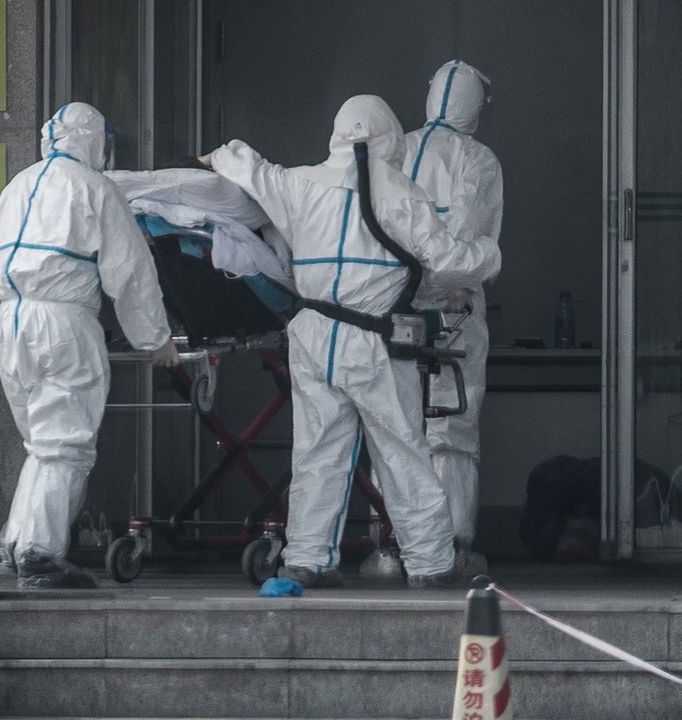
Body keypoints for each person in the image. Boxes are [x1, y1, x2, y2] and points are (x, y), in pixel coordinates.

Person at [201, 95, 502, 589]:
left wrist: (216, 156)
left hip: (313, 336)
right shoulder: (402, 195)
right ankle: (430, 563)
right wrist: (488, 255)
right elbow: (446, 261)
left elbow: (249, 167)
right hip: (373, 341)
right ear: (388, 135)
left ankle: (307, 558)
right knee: (401, 451)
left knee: (317, 453)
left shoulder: (299, 182)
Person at [0, 102, 179, 589]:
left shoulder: (16, 187)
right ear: (95, 140)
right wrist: (156, 339)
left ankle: (15, 543)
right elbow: (130, 272)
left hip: (11, 321)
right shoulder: (95, 188)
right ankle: (39, 554)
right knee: (65, 443)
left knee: (42, 442)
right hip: (64, 323)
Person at [403, 59, 504, 575]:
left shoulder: (396, 150)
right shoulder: (477, 160)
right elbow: (465, 231)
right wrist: (454, 289)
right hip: (454, 310)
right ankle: (452, 545)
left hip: (392, 309)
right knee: (451, 427)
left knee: (396, 425)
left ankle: (397, 543)